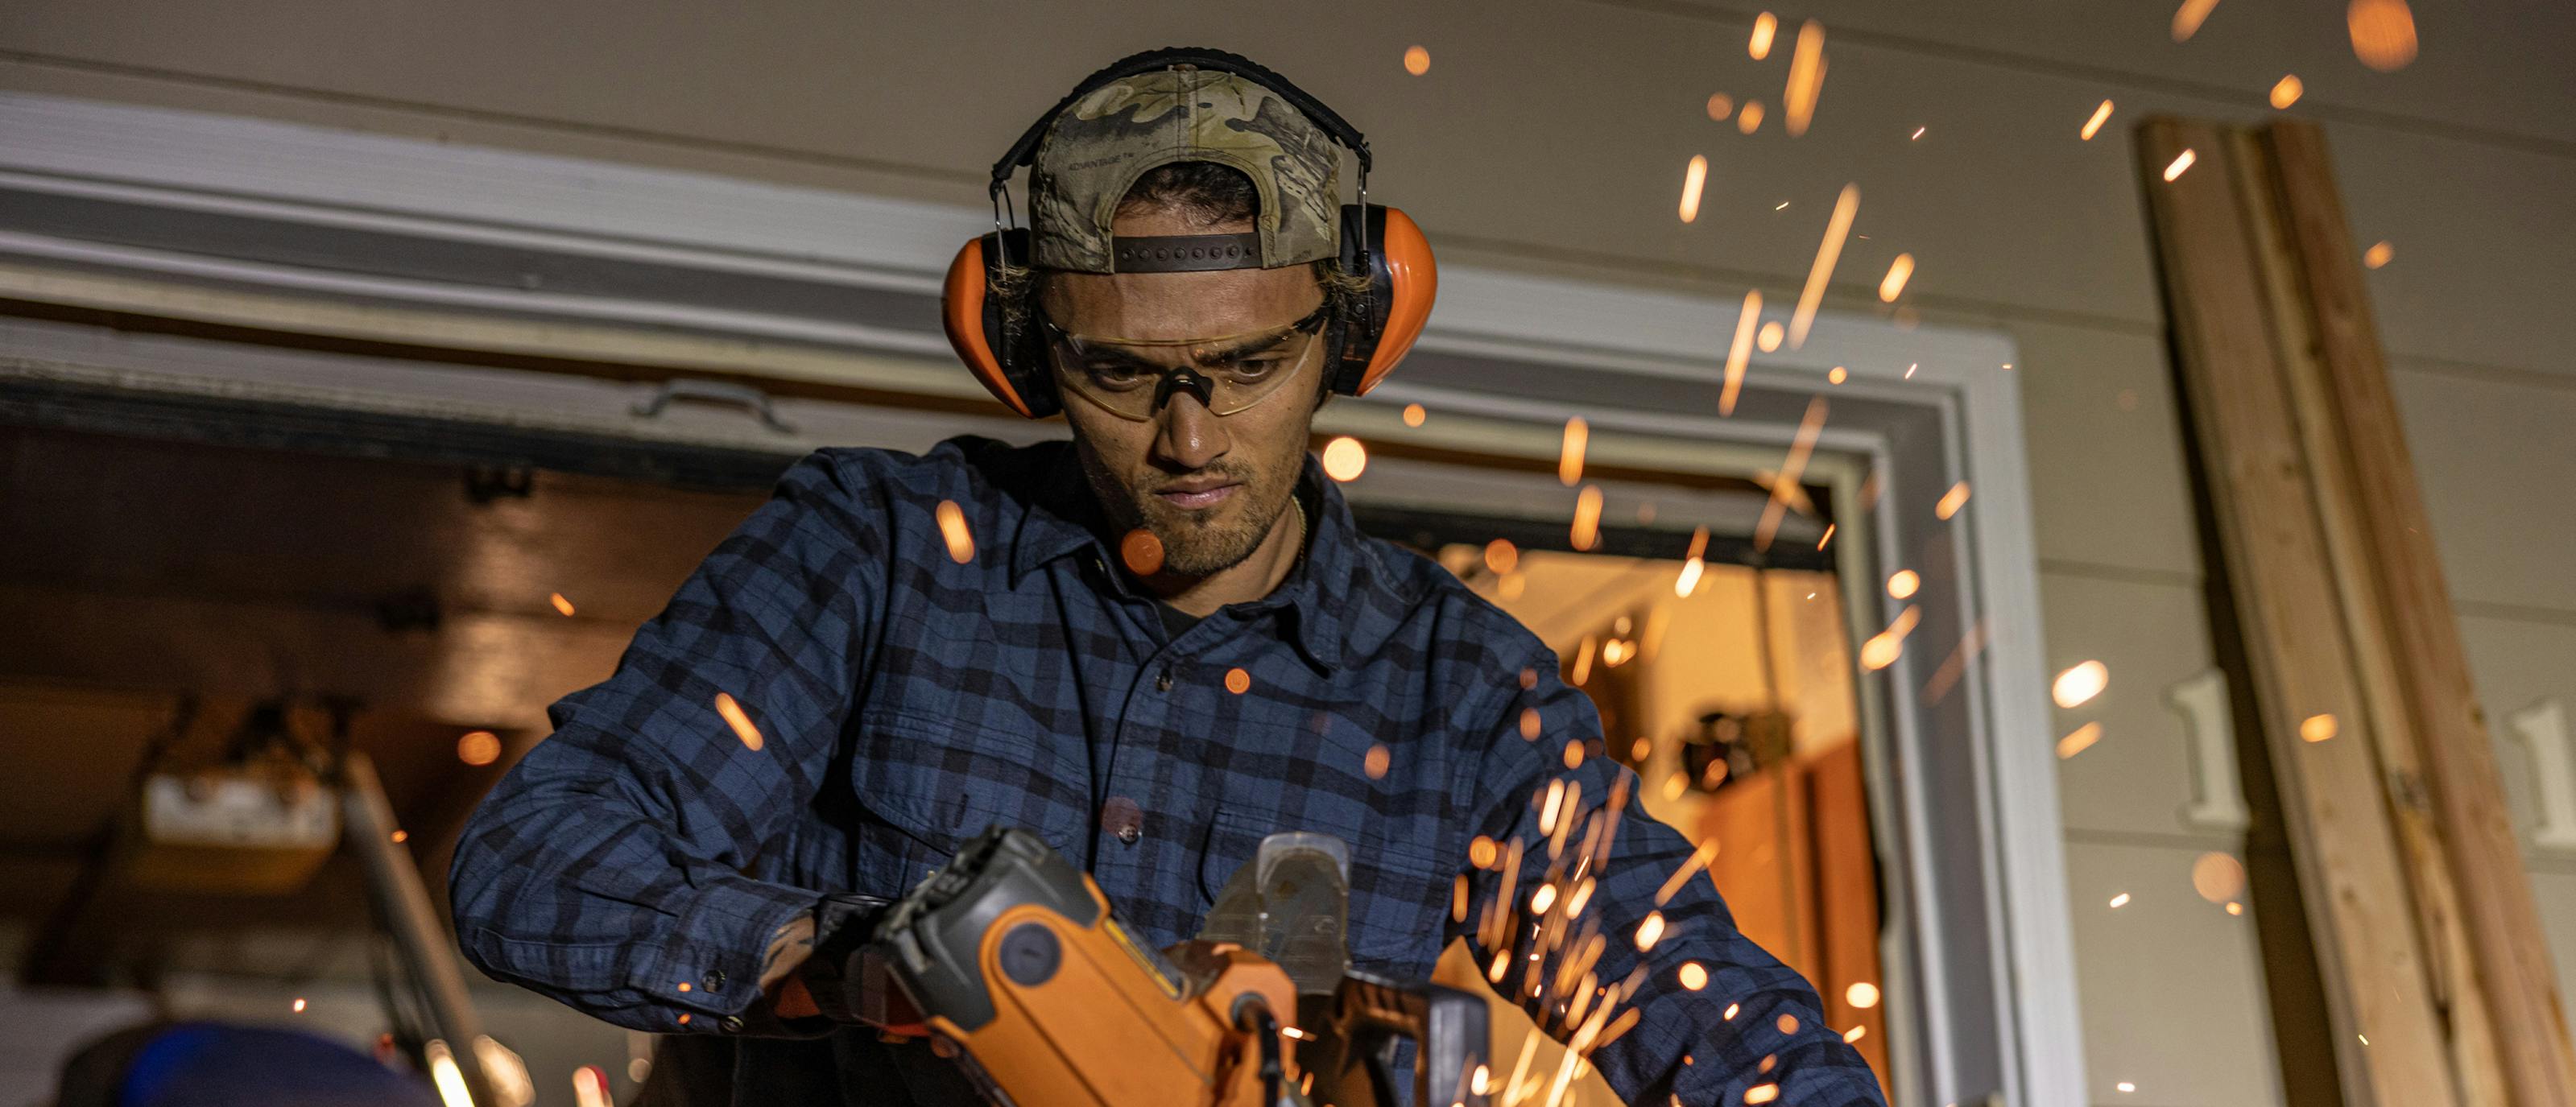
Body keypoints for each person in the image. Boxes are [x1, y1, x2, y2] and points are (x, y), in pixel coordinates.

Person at [449, 48, 1886, 1107]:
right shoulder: (881, 555)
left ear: (1354, 330)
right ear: (1023, 350)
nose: (1190, 441)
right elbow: (532, 858)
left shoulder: (1461, 696)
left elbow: (1712, 1015)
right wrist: (848, 957)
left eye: (1249, 366)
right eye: (1121, 374)